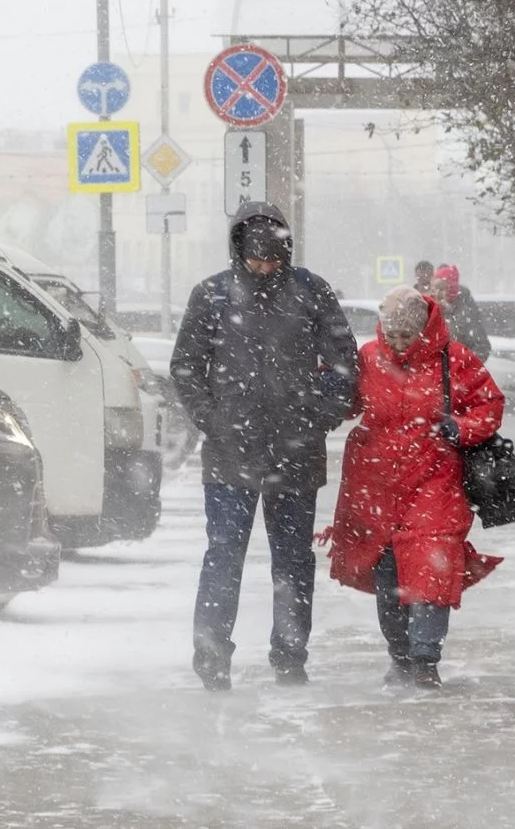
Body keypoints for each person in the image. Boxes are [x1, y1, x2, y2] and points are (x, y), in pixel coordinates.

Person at [171, 202, 360, 691]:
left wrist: (319, 416)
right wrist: (212, 420)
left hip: (296, 451)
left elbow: (344, 363)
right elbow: (186, 367)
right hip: (230, 452)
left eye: (274, 260)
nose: (266, 268)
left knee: (294, 559)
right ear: (239, 250)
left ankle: (291, 655)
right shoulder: (211, 295)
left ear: (286, 252)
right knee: (224, 554)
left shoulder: (311, 292)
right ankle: (212, 658)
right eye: (257, 260)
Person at [324, 286, 505, 689]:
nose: (398, 343)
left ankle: (425, 658)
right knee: (387, 573)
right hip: (377, 482)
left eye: (407, 336)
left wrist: (459, 428)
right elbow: (346, 402)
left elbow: (488, 403)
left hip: (436, 478)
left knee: (431, 565)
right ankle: (400, 654)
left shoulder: (453, 359)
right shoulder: (369, 358)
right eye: (392, 334)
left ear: (424, 331)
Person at [432, 264, 493, 361]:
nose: (437, 293)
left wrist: (460, 366)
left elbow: (482, 348)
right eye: (435, 288)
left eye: (442, 289)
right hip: (434, 373)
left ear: (451, 289)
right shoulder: (429, 309)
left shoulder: (465, 312)